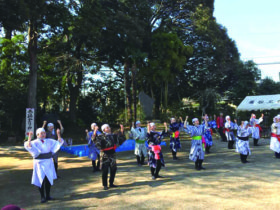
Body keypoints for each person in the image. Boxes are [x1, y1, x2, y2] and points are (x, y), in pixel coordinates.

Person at [24, 128, 64, 203]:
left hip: (48, 162)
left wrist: (58, 134)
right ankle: (42, 196)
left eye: (44, 133)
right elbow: (29, 145)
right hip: (39, 163)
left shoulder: (49, 141)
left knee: (48, 179)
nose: (43, 134)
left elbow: (58, 142)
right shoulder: (35, 142)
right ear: (37, 134)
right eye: (41, 133)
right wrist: (29, 137)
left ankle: (48, 195)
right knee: (40, 179)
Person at [93, 124, 126, 190]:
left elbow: (120, 140)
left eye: (109, 127)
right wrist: (95, 131)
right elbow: (95, 141)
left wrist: (122, 131)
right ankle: (105, 184)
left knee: (113, 169)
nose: (109, 129)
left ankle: (111, 183)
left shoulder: (113, 135)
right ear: (104, 130)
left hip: (112, 154)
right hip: (105, 155)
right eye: (107, 128)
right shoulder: (101, 136)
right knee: (105, 170)